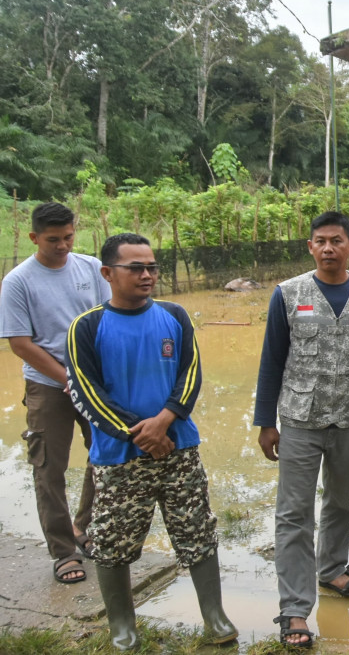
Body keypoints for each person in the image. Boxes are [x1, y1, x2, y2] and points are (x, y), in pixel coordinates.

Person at [65, 233, 236, 651]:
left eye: (152, 267)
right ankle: (123, 627)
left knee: (196, 530)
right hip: (118, 457)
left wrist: (165, 420)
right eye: (136, 268)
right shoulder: (86, 327)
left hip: (179, 449)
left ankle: (214, 617)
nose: (147, 275)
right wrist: (139, 434)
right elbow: (85, 394)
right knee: (112, 541)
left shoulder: (174, 316)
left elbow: (191, 374)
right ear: (108, 273)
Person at [253, 211, 349, 648]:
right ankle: (294, 608)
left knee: (341, 501)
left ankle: (332, 568)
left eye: (336, 240)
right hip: (298, 419)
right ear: (310, 246)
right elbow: (272, 360)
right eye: (320, 241)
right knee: (293, 514)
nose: (328, 248)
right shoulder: (288, 294)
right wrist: (265, 421)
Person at [0, 202, 109, 585]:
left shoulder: (91, 267)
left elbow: (106, 315)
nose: (62, 245)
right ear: (34, 238)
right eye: (53, 240)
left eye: (68, 237)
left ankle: (86, 527)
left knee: (106, 457)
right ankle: (63, 551)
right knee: (49, 469)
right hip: (48, 386)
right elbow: (20, 343)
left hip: (94, 381)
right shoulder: (17, 281)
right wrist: (67, 377)